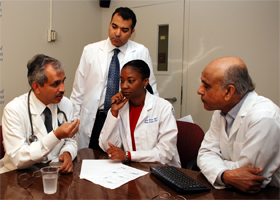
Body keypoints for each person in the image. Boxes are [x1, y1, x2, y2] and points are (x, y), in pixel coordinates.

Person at [70, 7, 158, 150]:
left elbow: (151, 91)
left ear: (132, 32)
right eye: (114, 26)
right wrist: (73, 124)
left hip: (123, 118)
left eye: (124, 30)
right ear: (110, 24)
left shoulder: (141, 52)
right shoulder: (90, 51)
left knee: (118, 164)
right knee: (89, 163)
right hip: (94, 120)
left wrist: (152, 126)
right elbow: (77, 93)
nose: (117, 33)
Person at [197, 56, 280, 193]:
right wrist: (225, 174)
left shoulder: (264, 117)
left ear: (229, 91)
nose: (199, 90)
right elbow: (205, 153)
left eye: (206, 86)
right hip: (231, 192)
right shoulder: (221, 112)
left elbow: (250, 178)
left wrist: (217, 164)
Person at [0, 54, 80, 174]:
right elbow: (18, 159)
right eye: (55, 84)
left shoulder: (66, 104)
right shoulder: (13, 110)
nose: (63, 89)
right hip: (18, 177)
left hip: (53, 174)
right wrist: (56, 136)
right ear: (37, 87)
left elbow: (71, 141)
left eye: (63, 81)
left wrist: (67, 153)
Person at [99, 60, 180, 167]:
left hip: (162, 170)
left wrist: (128, 155)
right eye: (122, 81)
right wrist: (114, 112)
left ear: (145, 82)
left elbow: (166, 153)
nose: (124, 86)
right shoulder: (121, 109)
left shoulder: (163, 107)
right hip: (134, 169)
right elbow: (107, 147)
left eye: (131, 81)